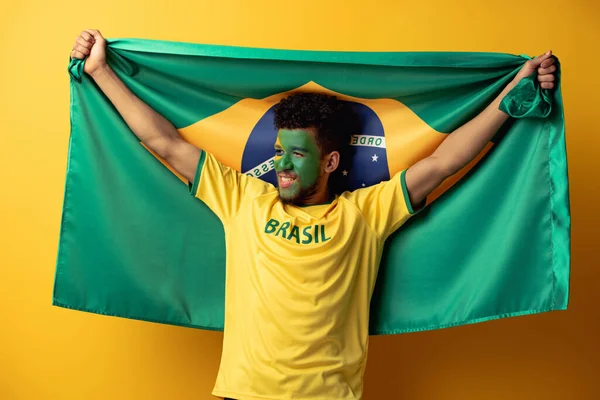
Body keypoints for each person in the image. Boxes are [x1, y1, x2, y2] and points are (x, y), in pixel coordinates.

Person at [70, 29, 557, 400]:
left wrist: (514, 93)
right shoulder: (242, 199)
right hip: (245, 394)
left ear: (329, 162)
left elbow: (445, 161)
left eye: (296, 156)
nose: (280, 165)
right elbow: (163, 142)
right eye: (279, 151)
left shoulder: (367, 212)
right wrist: (99, 71)